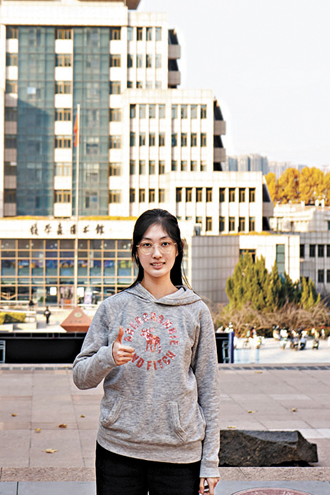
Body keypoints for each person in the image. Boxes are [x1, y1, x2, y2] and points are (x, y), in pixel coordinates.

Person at [73, 209, 220, 495]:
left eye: (165, 243)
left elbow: (209, 390)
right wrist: (107, 357)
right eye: (147, 244)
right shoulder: (113, 307)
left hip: (180, 454)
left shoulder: (196, 311)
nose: (156, 253)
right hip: (119, 451)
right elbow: (80, 377)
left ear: (178, 249)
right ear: (136, 251)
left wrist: (210, 462)